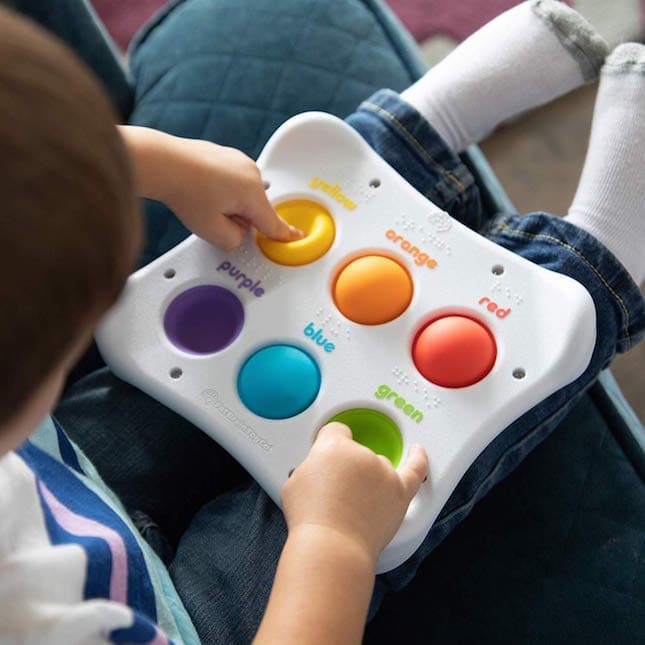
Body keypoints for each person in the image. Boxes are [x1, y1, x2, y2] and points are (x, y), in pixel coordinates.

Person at [0, 2, 643, 644]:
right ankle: (596, 264)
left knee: (273, 246)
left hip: (64, 475)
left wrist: (150, 163)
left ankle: (424, 127)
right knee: (382, 467)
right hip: (187, 624)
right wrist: (335, 541)